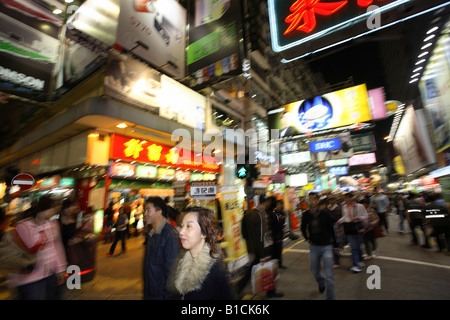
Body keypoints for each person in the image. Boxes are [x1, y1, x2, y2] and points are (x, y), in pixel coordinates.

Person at [8, 196, 67, 300]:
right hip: (30, 278)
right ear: (44, 209)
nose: (54, 211)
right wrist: (42, 233)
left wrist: (60, 269)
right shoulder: (23, 226)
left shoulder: (51, 224)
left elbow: (56, 248)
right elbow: (28, 247)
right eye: (53, 208)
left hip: (49, 274)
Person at [172, 206, 234, 299]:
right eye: (182, 226)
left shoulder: (214, 270)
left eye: (188, 226)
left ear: (204, 233)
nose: (181, 232)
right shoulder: (185, 263)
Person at [236, 195, 283, 298]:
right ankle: (270, 291)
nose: (269, 204)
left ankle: (240, 286)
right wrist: (263, 253)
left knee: (254, 268)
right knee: (269, 268)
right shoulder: (260, 215)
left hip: (255, 247)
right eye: (267, 202)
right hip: (263, 248)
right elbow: (261, 236)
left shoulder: (249, 214)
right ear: (265, 202)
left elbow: (244, 232)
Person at [143, 197, 180, 300]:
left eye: (148, 210)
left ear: (159, 211)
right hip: (151, 294)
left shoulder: (170, 235)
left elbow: (172, 274)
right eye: (144, 210)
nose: (145, 214)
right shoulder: (151, 235)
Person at [301, 193, 336, 300]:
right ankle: (321, 281)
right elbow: (303, 227)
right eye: (310, 199)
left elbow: (331, 228)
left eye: (314, 199)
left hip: (326, 246)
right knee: (314, 270)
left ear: (318, 200)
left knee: (329, 276)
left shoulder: (325, 213)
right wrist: (307, 239)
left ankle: (330, 298)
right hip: (314, 246)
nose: (312, 201)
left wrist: (335, 245)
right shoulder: (306, 214)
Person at [340, 192, 368, 273]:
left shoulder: (359, 206)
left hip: (358, 228)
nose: (347, 200)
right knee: (354, 247)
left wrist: (357, 218)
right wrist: (338, 222)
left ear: (352, 198)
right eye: (346, 198)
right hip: (349, 229)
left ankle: (359, 261)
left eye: (349, 198)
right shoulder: (344, 207)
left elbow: (365, 216)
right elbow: (344, 218)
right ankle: (356, 265)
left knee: (358, 246)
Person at [324, 195, 342, 268]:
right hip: (329, 229)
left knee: (336, 245)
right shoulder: (326, 209)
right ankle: (334, 259)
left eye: (333, 200)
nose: (331, 201)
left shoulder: (339, 208)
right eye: (330, 200)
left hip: (337, 228)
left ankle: (337, 261)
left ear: (335, 200)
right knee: (331, 245)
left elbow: (340, 218)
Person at [270, 200, 287, 269]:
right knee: (274, 250)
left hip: (279, 234)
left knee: (279, 249)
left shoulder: (283, 213)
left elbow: (282, 223)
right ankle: (274, 264)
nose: (279, 206)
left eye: (280, 204)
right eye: (278, 204)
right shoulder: (273, 213)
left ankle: (279, 263)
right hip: (274, 234)